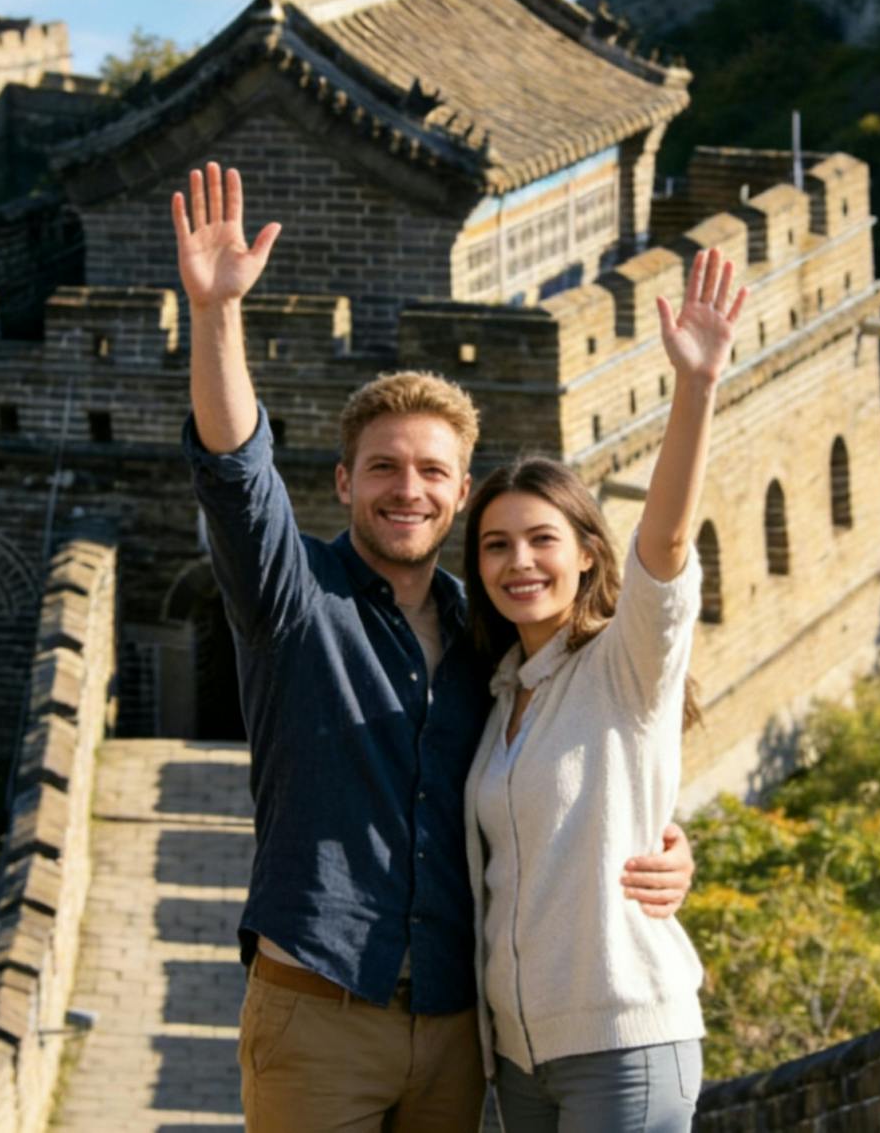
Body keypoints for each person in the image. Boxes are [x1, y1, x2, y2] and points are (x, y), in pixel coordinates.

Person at [171, 161, 695, 1131]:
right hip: (318, 1010)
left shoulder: (488, 642)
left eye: (430, 473)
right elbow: (237, 479)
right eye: (382, 468)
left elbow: (590, 753)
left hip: (460, 1029)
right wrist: (215, 314)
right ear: (342, 482)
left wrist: (665, 837)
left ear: (458, 495)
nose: (405, 489)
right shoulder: (291, 600)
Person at [462, 246, 745, 1131]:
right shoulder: (498, 693)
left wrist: (693, 387)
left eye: (542, 539)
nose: (519, 562)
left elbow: (663, 548)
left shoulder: (625, 667)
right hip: (516, 1056)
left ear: (587, 550)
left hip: (625, 1041)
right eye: (496, 545)